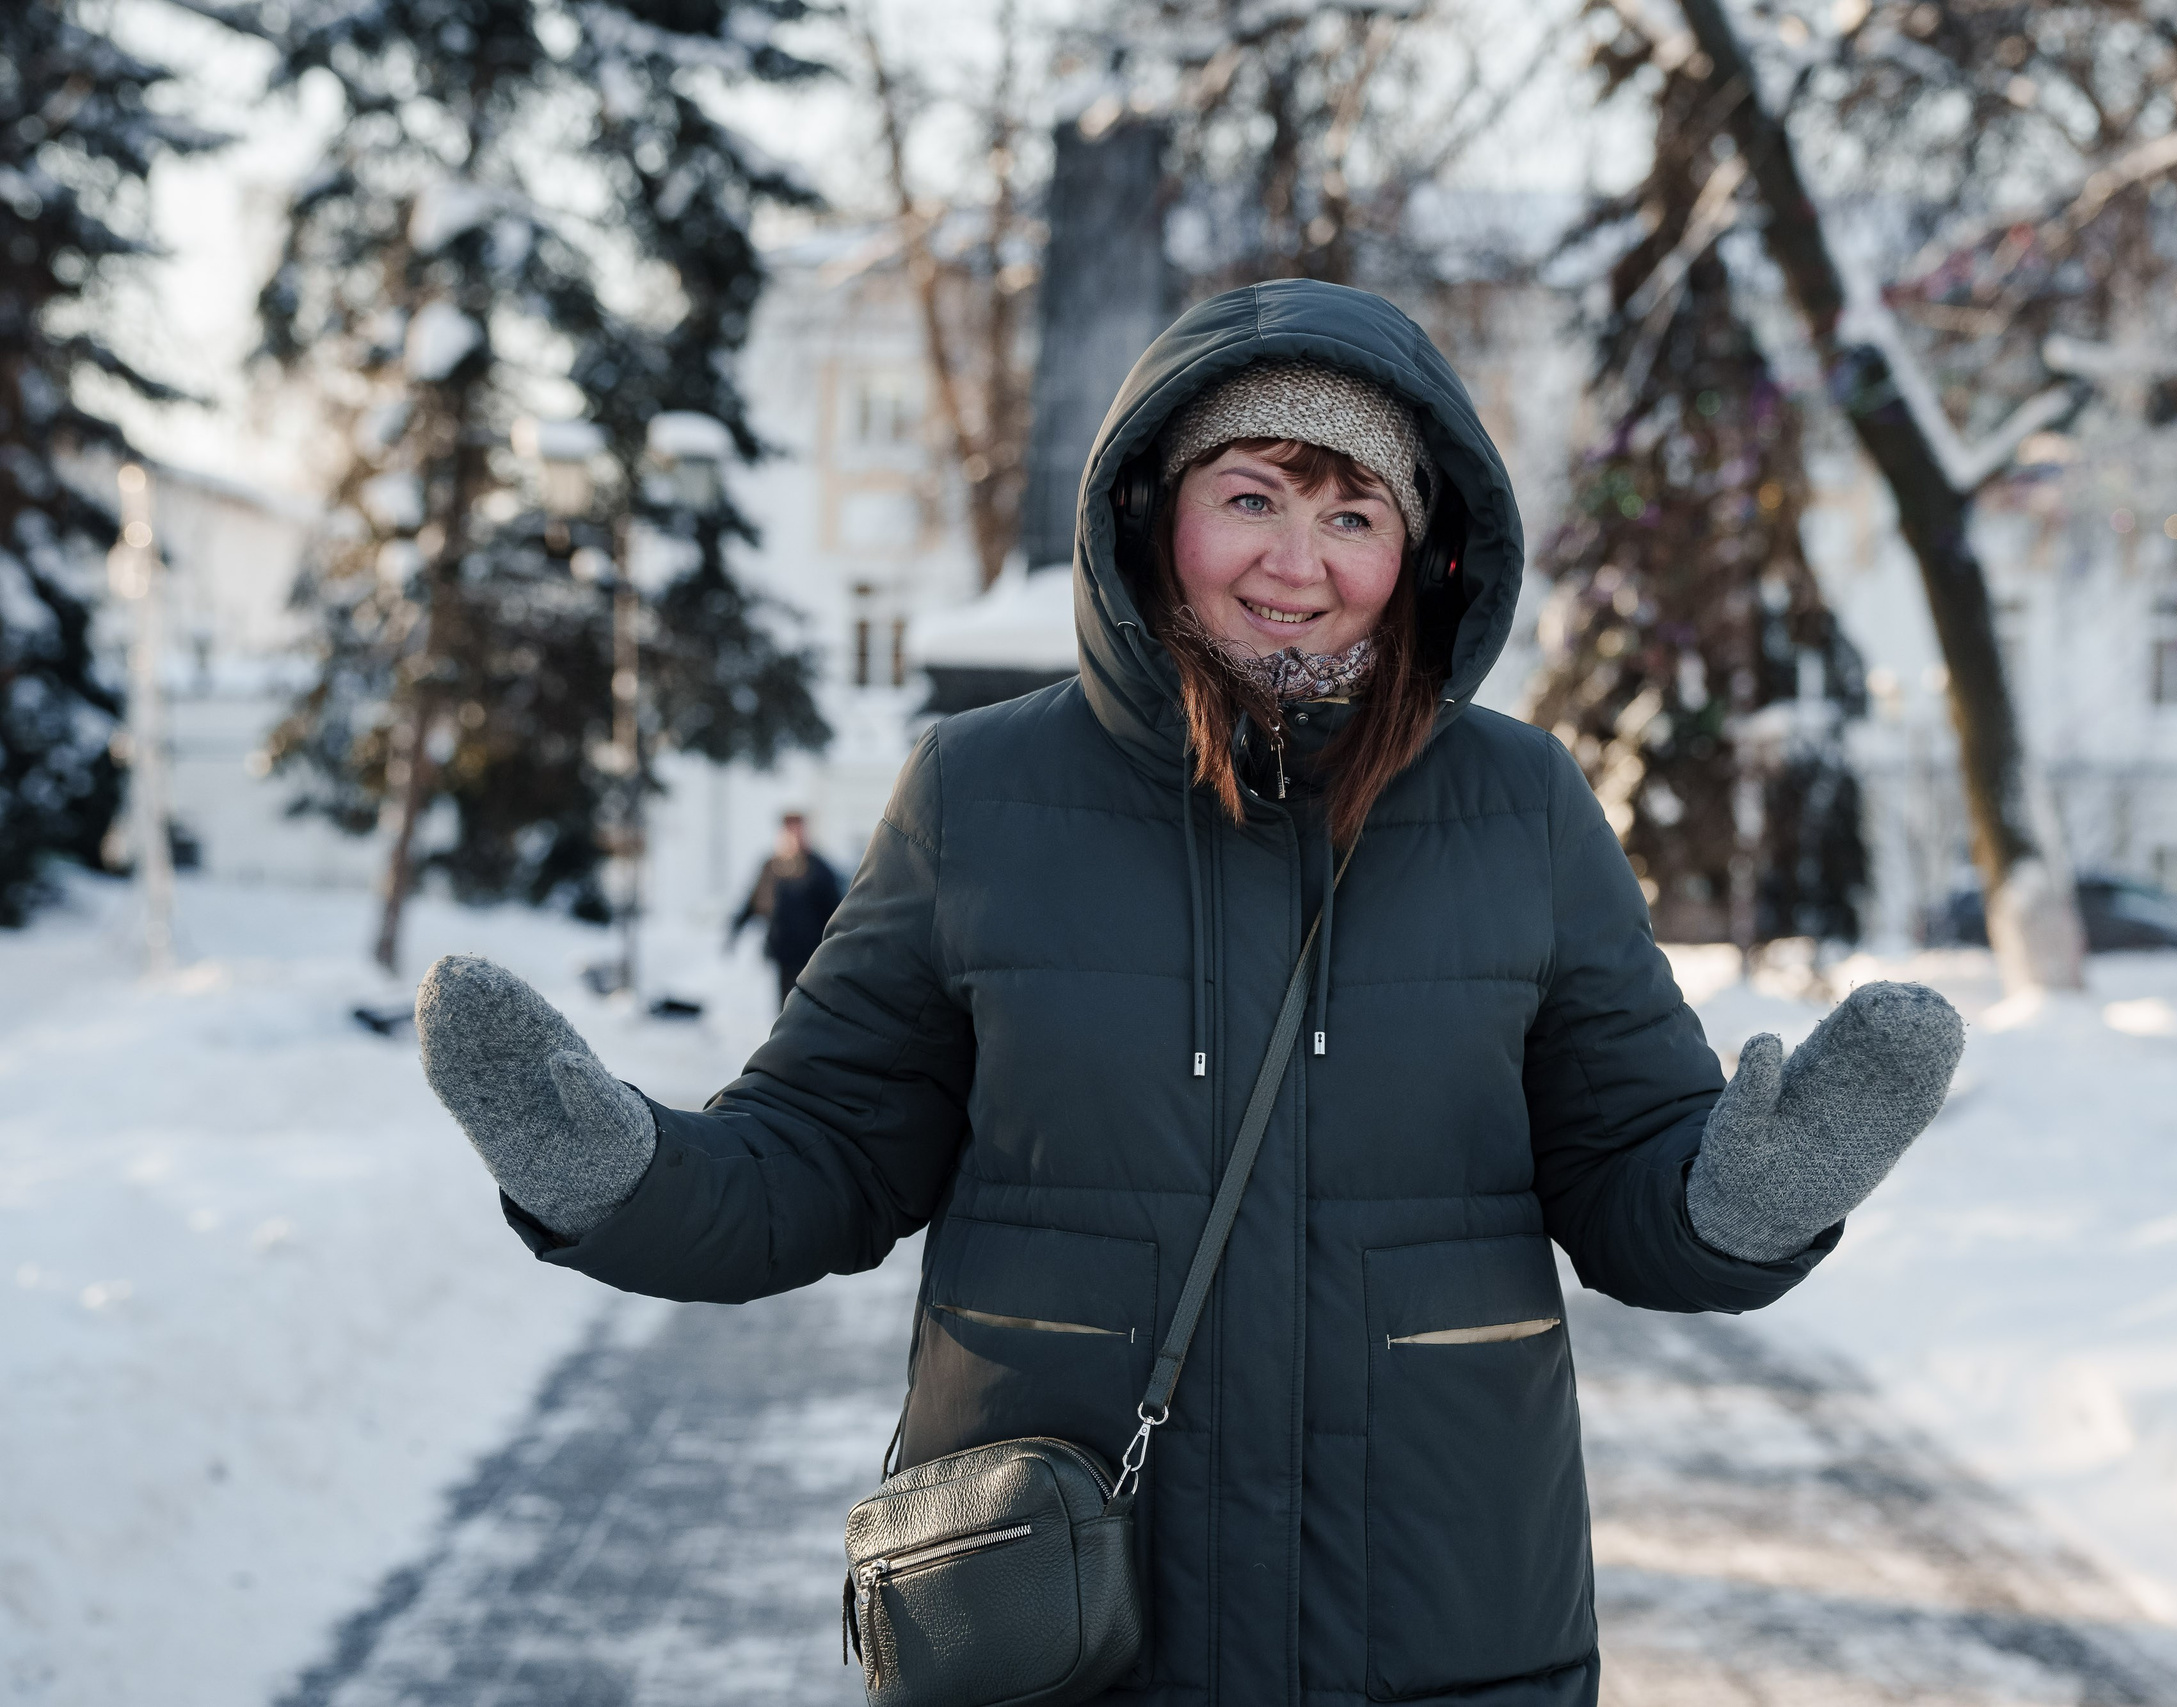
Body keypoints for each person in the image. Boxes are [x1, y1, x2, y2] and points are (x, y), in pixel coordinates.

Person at [411, 280, 1963, 1707]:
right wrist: (616, 1177)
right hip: (1066, 1624)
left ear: (1419, 554)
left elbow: (1631, 1172)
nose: (1300, 562)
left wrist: (1747, 1196)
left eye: (1353, 511)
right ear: (1156, 515)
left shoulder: (1523, 804)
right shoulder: (982, 791)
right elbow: (818, 1153)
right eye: (1253, 498)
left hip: (1438, 1627)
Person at [727, 811, 845, 1008]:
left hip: (811, 955)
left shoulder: (819, 869)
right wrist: (735, 930)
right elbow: (753, 902)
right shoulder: (772, 867)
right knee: (785, 1007)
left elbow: (835, 910)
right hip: (783, 952)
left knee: (808, 1008)